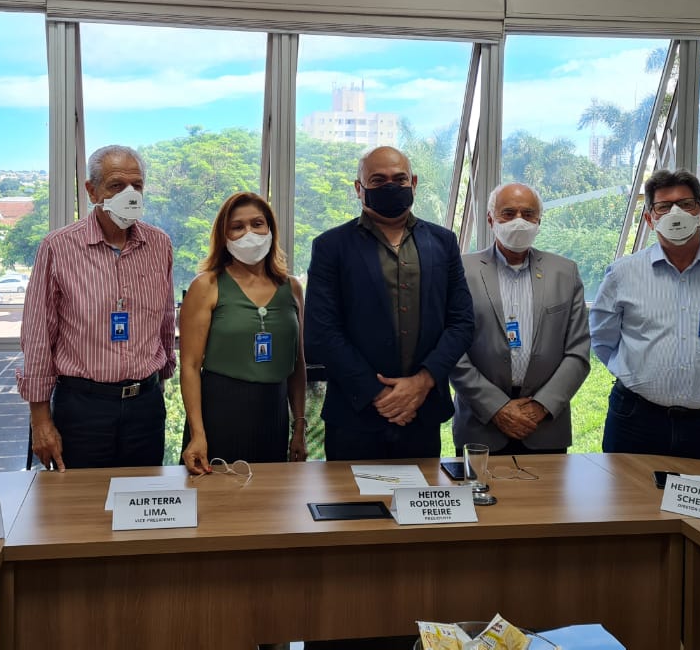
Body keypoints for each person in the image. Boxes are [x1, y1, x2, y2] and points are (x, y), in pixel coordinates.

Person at [304, 146, 474, 461]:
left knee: (421, 493)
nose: (390, 186)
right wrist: (380, 394)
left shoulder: (443, 242)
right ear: (359, 188)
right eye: (378, 180)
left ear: (414, 182)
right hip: (354, 416)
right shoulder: (331, 246)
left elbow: (461, 322)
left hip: (422, 413)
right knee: (350, 495)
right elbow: (321, 333)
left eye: (399, 179)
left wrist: (422, 383)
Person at [590, 169, 700, 463]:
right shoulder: (622, 274)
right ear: (650, 219)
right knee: (628, 493)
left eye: (686, 204)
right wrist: (638, 374)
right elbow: (602, 339)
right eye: (663, 207)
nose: (676, 213)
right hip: (636, 419)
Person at [18, 145, 176, 471]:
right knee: (82, 500)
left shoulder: (159, 244)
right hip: (83, 408)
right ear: (92, 191)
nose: (130, 195)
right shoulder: (59, 247)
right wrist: (40, 420)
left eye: (137, 186)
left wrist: (160, 380)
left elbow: (164, 319)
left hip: (145, 407)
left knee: (143, 495)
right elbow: (38, 337)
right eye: (117, 185)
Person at [450, 182, 590, 456]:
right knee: (480, 487)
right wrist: (496, 408)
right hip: (481, 424)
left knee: (547, 488)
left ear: (539, 221)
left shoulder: (565, 272)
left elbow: (578, 351)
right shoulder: (461, 271)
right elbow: (452, 350)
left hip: (545, 425)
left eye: (528, 214)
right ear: (490, 219)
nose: (519, 221)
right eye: (508, 213)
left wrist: (541, 406)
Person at [179, 193, 307, 473]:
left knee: (270, 495)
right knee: (215, 496)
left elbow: (297, 365)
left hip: (274, 414)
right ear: (224, 236)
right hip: (220, 413)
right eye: (237, 227)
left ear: (270, 229)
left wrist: (299, 425)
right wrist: (197, 433)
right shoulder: (207, 285)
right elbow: (189, 366)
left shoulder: (293, 288)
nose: (249, 233)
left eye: (257, 224)